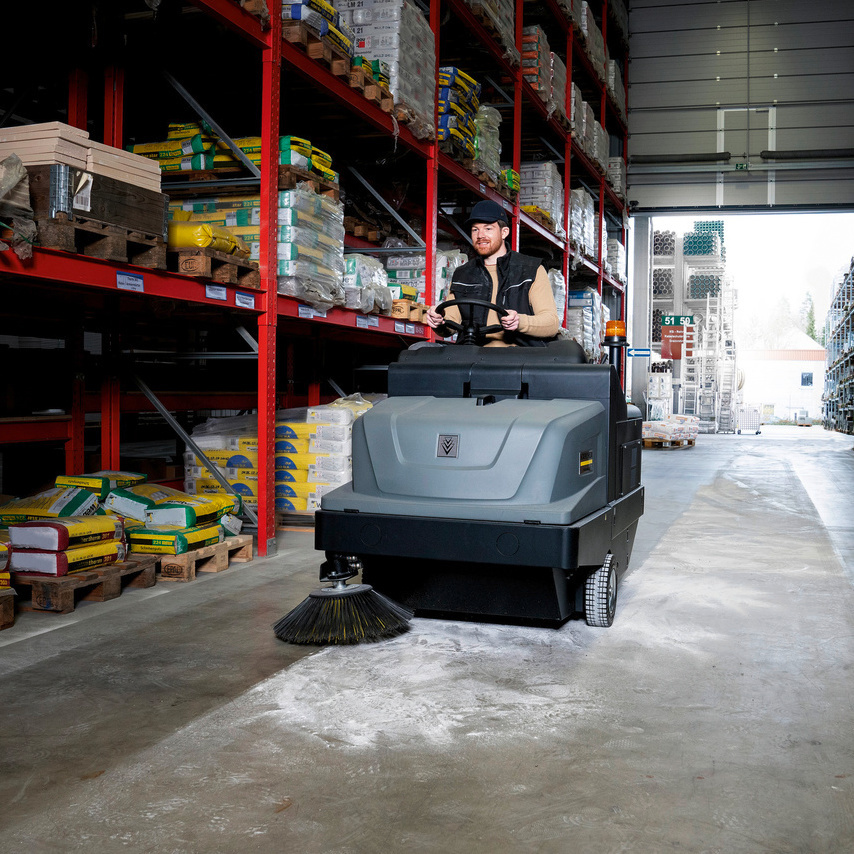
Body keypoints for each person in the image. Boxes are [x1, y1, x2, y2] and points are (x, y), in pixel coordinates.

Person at [424, 199, 561, 347]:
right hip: (473, 356)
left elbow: (551, 323)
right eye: (475, 229)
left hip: (518, 358)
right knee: (419, 350)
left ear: (504, 232)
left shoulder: (530, 269)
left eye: (488, 229)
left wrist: (520, 321)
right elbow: (452, 320)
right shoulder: (463, 274)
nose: (480, 235)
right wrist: (439, 322)